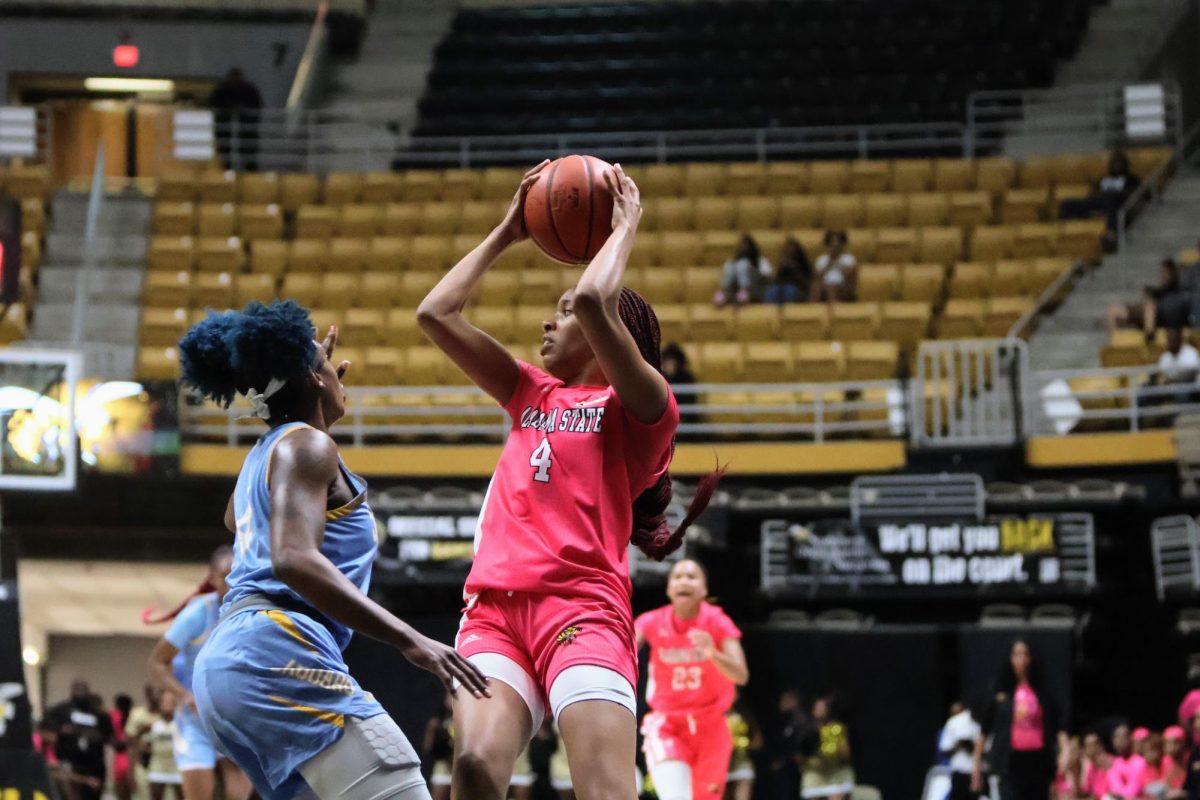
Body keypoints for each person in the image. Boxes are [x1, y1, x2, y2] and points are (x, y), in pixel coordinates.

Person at [416, 161, 721, 800]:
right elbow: (436, 314)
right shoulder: (529, 390)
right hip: (494, 609)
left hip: (581, 609)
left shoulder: (644, 409)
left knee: (605, 793)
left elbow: (588, 297)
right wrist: (505, 232)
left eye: (562, 313)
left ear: (615, 334)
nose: (549, 323)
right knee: (472, 768)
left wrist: (626, 224)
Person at [178, 300, 488, 800]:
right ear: (315, 378)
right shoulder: (307, 449)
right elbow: (292, 558)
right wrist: (410, 638)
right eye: (327, 367)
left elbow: (235, 517)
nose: (340, 373)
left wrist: (308, 405)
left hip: (226, 666)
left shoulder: (275, 451)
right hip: (277, 651)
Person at [636, 559, 748, 800]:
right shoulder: (651, 621)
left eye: (691, 576)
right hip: (668, 724)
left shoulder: (717, 621)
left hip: (711, 727)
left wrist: (712, 653)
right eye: (677, 577)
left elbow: (741, 674)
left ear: (704, 589)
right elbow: (624, 649)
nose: (684, 581)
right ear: (668, 588)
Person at [147, 545, 251, 800]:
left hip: (236, 720)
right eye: (225, 574)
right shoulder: (196, 613)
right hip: (195, 722)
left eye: (238, 572)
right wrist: (183, 695)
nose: (232, 580)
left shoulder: (253, 611)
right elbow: (157, 662)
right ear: (213, 577)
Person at [973, 639, 1064, 800]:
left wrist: (1064, 751)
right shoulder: (1000, 693)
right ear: (1010, 658)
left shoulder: (1042, 693)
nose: (1021, 659)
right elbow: (984, 732)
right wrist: (977, 767)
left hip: (1038, 762)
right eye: (1016, 654)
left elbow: (1058, 726)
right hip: (1009, 763)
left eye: (1025, 654)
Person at [40, 680, 114, 800]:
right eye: (77, 689)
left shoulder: (98, 713)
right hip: (69, 761)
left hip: (94, 764)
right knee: (72, 794)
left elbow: (109, 736)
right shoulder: (61, 710)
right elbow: (45, 733)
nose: (81, 693)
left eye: (83, 689)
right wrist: (61, 733)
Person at [1059, 150, 1140, 236]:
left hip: (1115, 203)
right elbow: (1093, 193)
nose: (1117, 165)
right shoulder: (1104, 178)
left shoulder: (1131, 179)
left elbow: (1136, 193)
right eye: (1115, 162)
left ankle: (1111, 233)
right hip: (1098, 201)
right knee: (1066, 204)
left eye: (1119, 162)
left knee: (1112, 199)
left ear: (1125, 164)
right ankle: (1064, 230)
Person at [209, 68, 263, 171]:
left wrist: (243, 110)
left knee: (247, 148)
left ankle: (248, 168)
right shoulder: (222, 90)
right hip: (226, 128)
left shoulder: (248, 90)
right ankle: (227, 167)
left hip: (245, 128)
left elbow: (257, 106)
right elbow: (214, 106)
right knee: (226, 149)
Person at [801, 697, 854, 800]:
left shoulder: (837, 728)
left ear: (829, 710)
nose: (820, 710)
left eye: (823, 708)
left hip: (835, 774)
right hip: (814, 774)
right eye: (817, 707)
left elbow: (846, 756)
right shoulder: (806, 730)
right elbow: (800, 756)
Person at [1107, 260, 1181, 333]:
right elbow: (1154, 292)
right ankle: (1116, 338)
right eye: (1162, 273)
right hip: (1145, 313)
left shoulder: (1177, 290)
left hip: (1160, 315)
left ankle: (1149, 335)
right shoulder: (1158, 290)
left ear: (1172, 274)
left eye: (1166, 273)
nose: (1163, 276)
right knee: (1114, 311)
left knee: (1150, 306)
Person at [766, 690, 815, 800]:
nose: (781, 703)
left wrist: (785, 760)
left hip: (797, 767)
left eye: (785, 700)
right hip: (790, 766)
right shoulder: (787, 720)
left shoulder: (800, 720)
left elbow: (800, 745)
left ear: (794, 702)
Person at [144, 690, 183, 800]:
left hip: (178, 766)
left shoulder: (182, 722)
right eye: (164, 702)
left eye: (171, 702)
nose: (168, 705)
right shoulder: (152, 723)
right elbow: (141, 742)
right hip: (158, 766)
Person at [714, 234, 772, 307]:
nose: (744, 249)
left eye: (746, 246)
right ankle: (722, 293)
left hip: (754, 290)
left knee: (743, 264)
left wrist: (752, 274)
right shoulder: (732, 263)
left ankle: (743, 292)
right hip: (734, 290)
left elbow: (768, 278)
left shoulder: (761, 261)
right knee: (730, 265)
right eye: (742, 246)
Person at [939, 702, 981, 800]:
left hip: (979, 774)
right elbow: (944, 750)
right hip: (960, 774)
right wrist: (959, 744)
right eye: (953, 713)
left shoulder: (982, 721)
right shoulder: (952, 724)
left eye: (959, 712)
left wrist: (970, 746)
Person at [725, 697, 763, 800]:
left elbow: (758, 741)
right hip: (721, 761)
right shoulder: (714, 713)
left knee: (743, 785)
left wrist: (742, 745)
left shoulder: (744, 715)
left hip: (741, 760)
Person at [422, 696, 453, 800]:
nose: (451, 700)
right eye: (449, 697)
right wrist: (432, 731)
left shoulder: (466, 722)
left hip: (460, 769)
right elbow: (427, 748)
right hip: (442, 769)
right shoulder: (437, 722)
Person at [813, 231, 857, 304]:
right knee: (816, 287)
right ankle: (813, 311)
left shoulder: (849, 259)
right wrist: (829, 263)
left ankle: (835, 311)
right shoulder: (821, 259)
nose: (835, 247)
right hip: (824, 285)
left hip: (843, 285)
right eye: (832, 244)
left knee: (832, 287)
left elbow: (850, 276)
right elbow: (817, 276)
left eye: (837, 244)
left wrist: (837, 262)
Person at [765, 238, 813, 305]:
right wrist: (780, 268)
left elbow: (807, 283)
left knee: (790, 291)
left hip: (796, 288)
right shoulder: (782, 264)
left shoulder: (803, 264)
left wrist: (795, 270)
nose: (788, 251)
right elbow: (774, 280)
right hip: (779, 287)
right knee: (772, 291)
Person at [1107, 724, 1147, 800]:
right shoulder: (1116, 762)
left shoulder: (1139, 762)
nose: (1118, 741)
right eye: (1116, 738)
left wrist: (1119, 795)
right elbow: (1113, 787)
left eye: (1122, 738)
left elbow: (1133, 791)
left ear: (1130, 739)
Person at [111, 694, 135, 800]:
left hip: (120, 755)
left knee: (120, 787)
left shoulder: (114, 715)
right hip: (131, 754)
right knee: (131, 788)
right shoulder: (133, 715)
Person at [1082, 731, 1111, 799]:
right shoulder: (1090, 767)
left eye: (1094, 744)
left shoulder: (1109, 762)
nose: (1091, 749)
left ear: (1100, 745)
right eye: (1088, 746)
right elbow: (1086, 791)